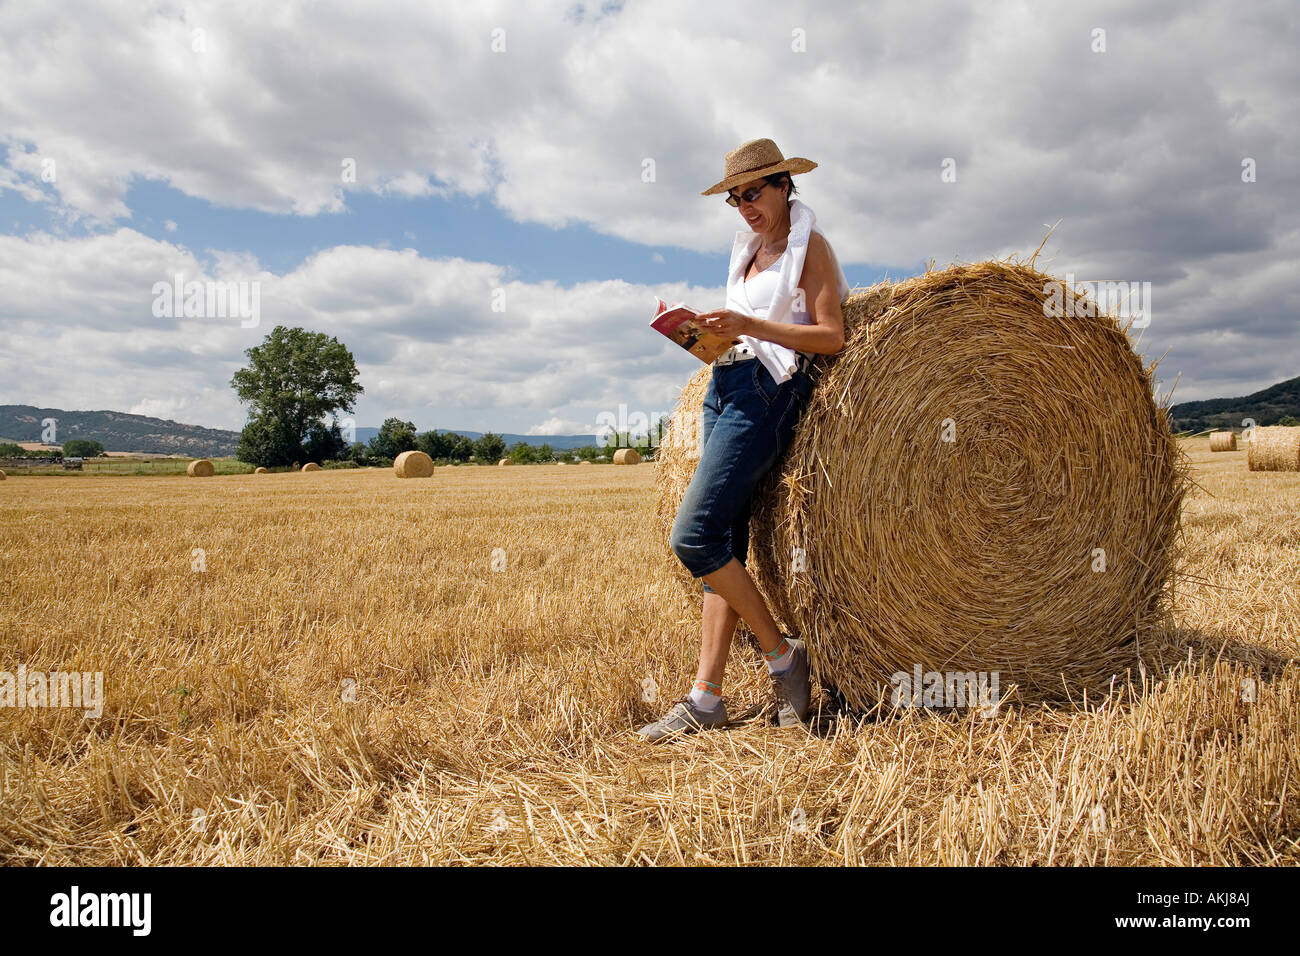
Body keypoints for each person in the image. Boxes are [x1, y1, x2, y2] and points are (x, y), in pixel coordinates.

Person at [639, 138, 851, 743]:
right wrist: (709, 333)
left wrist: (748, 325)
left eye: (753, 192)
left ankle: (784, 658)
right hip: (724, 383)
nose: (744, 206)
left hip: (767, 391)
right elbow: (746, 327)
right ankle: (706, 696)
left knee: (695, 536)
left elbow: (830, 335)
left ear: (785, 184)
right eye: (734, 198)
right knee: (724, 541)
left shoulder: (811, 251)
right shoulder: (751, 250)